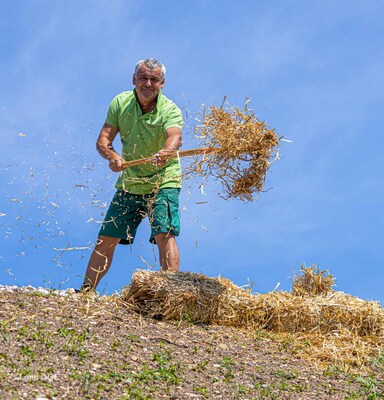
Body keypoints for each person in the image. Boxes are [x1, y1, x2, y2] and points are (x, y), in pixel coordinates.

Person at [79, 58, 183, 292]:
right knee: (107, 238)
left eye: (154, 79)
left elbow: (175, 136)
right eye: (143, 78)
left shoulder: (170, 109)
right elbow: (103, 140)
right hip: (131, 181)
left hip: (163, 179)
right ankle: (85, 292)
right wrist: (113, 157)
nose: (148, 83)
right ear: (133, 79)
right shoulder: (120, 102)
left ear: (162, 83)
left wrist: (165, 153)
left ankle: (171, 293)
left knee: (163, 233)